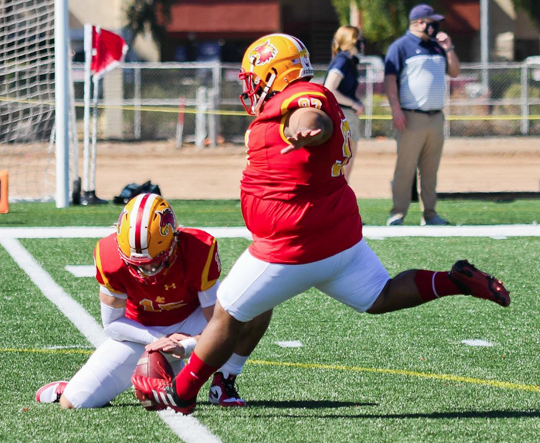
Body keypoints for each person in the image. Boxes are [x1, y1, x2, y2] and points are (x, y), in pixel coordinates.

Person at [132, 33, 510, 415]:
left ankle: (182, 391)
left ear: (274, 73)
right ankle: (453, 280)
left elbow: (311, 115)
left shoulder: (300, 99)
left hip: (293, 244)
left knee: (228, 313)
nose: (251, 87)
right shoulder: (300, 97)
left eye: (255, 77)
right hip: (337, 239)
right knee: (379, 295)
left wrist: (307, 129)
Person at [35, 193, 271, 409]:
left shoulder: (198, 249)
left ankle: (224, 382)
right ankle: (69, 387)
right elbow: (112, 324)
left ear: (173, 242)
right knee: (73, 404)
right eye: (137, 264)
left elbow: (217, 322)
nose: (146, 270)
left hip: (191, 322)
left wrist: (186, 346)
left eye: (155, 262)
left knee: (254, 305)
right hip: (140, 332)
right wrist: (160, 341)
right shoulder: (109, 256)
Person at [384, 4, 460, 226]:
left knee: (430, 170)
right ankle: (397, 214)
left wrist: (448, 47)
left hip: (436, 117)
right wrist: (396, 109)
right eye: (432, 21)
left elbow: (455, 72)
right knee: (405, 169)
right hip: (410, 117)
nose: (436, 26)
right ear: (420, 22)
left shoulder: (437, 46)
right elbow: (390, 80)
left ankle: (430, 214)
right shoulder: (400, 47)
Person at [324, 25, 365, 179]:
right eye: (359, 39)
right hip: (343, 116)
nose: (362, 43)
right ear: (351, 41)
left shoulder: (348, 61)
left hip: (345, 116)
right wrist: (353, 103)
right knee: (343, 166)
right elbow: (329, 88)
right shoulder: (342, 61)